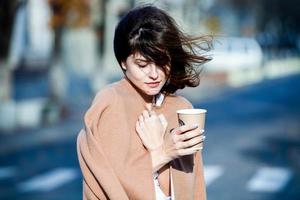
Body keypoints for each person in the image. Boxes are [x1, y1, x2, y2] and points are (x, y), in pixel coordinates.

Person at [77, 5, 211, 200]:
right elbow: (106, 182)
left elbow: (193, 184)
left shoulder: (181, 108)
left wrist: (162, 150)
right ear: (123, 62)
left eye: (161, 62)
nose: (154, 74)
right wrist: (163, 152)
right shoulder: (110, 102)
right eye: (142, 64)